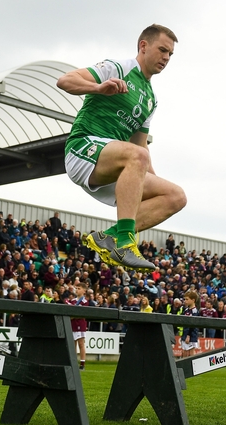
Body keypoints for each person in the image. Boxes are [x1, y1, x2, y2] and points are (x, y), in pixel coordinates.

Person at [57, 24, 186, 272]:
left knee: (176, 196)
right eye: (162, 50)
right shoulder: (118, 68)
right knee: (137, 157)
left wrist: (152, 186)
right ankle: (125, 241)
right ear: (143, 46)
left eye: (170, 54)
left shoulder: (151, 99)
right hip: (83, 149)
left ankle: (109, 238)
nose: (166, 58)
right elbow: (65, 81)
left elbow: (141, 148)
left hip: (116, 165)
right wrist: (97, 88)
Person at [66, 284, 89, 370]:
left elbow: (82, 314)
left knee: (81, 344)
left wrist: (74, 316)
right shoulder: (73, 301)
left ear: (84, 291)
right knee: (73, 344)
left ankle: (82, 363)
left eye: (79, 288)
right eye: (76, 288)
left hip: (81, 324)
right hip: (73, 324)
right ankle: (73, 362)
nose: (77, 290)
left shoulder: (84, 302)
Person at [180, 291, 200, 358]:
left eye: (187, 299)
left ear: (193, 300)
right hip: (184, 333)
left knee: (191, 354)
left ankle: (192, 368)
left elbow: (193, 324)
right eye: (184, 299)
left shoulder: (195, 311)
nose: (185, 301)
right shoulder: (186, 310)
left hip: (192, 334)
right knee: (184, 353)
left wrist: (188, 335)